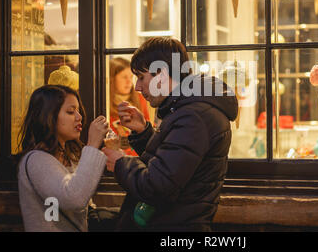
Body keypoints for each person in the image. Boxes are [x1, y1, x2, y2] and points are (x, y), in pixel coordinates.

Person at [102, 37, 238, 231]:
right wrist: (143, 131)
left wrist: (120, 163)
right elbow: (175, 163)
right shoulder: (189, 110)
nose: (138, 87)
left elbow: (157, 187)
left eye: (141, 77)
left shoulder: (193, 116)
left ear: (162, 75)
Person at [17, 85, 109, 232]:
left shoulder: (71, 155)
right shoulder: (36, 160)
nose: (79, 117)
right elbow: (74, 198)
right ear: (49, 116)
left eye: (78, 111)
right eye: (70, 111)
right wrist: (92, 144)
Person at [109, 57, 150, 156]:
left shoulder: (140, 98)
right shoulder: (106, 101)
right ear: (112, 79)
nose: (129, 82)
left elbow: (148, 125)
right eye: (124, 77)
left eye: (131, 77)